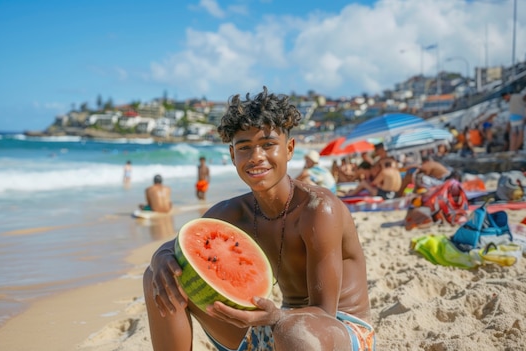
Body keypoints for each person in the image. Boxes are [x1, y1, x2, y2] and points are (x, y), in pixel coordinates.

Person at [143, 87, 374, 351]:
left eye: (268, 145)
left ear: (289, 149)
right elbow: (177, 246)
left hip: (337, 331)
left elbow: (324, 311)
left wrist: (278, 318)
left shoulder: (319, 210)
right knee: (157, 277)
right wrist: (160, 257)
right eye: (245, 148)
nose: (256, 157)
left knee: (291, 333)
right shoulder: (233, 213)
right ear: (233, 156)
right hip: (276, 326)